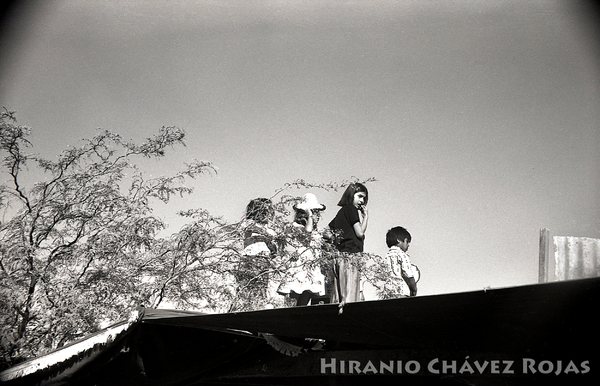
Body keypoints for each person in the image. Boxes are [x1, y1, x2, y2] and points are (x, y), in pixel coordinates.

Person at [277, 193, 327, 306]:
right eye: (313, 212)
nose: (316, 215)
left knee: (307, 294)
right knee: (296, 296)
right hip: (300, 266)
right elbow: (307, 232)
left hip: (311, 265)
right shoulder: (296, 227)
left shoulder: (316, 230)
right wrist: (309, 216)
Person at [326, 183, 369, 306]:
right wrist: (366, 218)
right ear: (351, 195)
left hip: (340, 256)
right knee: (350, 296)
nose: (362, 201)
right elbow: (360, 233)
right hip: (351, 256)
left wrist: (337, 239)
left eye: (364, 198)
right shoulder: (351, 209)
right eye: (360, 196)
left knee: (339, 296)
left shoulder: (342, 212)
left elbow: (326, 232)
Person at [233, 198, 278, 311]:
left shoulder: (267, 228)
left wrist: (273, 247)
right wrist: (267, 236)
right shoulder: (249, 224)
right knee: (246, 288)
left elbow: (272, 247)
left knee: (261, 290)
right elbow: (249, 230)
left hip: (264, 261)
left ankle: (254, 309)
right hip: (250, 259)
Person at [385, 226, 420, 297]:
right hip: (402, 292)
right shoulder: (401, 254)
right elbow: (408, 273)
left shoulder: (387, 256)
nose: (408, 245)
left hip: (388, 292)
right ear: (399, 240)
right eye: (407, 241)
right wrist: (414, 289)